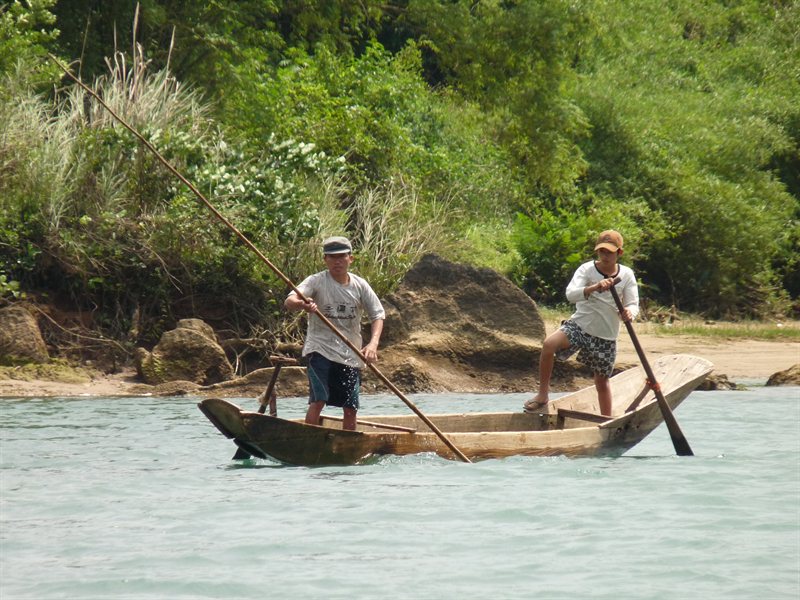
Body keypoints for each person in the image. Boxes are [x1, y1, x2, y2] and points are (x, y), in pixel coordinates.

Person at [523, 230, 639, 417]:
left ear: (619, 253)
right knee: (549, 345)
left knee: (601, 382)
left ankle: (606, 420)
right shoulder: (587, 269)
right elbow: (570, 294)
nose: (605, 256)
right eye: (601, 251)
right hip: (580, 326)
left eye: (609, 252)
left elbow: (633, 303)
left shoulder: (627, 275)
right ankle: (543, 395)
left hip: (606, 335)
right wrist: (594, 287)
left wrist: (629, 313)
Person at [284, 236, 385, 430]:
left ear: (350, 259)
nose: (337, 261)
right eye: (332, 257)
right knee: (319, 399)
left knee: (350, 406)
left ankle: (348, 442)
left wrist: (373, 344)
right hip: (320, 349)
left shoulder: (360, 285)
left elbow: (378, 315)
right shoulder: (317, 281)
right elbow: (289, 301)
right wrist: (302, 305)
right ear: (325, 260)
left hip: (350, 353)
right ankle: (309, 439)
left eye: (341, 257)